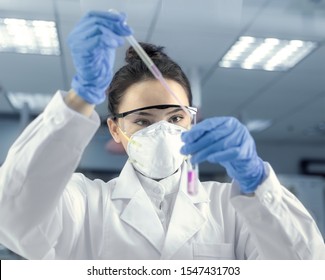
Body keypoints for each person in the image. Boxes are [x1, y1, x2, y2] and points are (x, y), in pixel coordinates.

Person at [0, 11, 324, 260]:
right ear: (116, 129)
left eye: (175, 117)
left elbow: (305, 263)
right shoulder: (84, 204)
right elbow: (12, 216)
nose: (163, 132)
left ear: (191, 121)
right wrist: (80, 97)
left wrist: (259, 184)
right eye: (143, 121)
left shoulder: (230, 207)